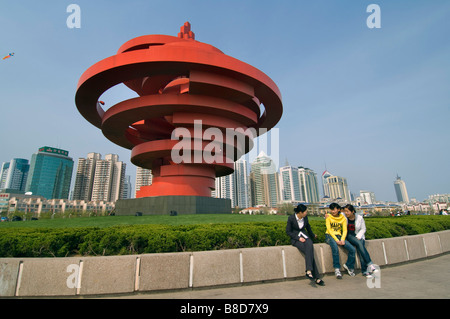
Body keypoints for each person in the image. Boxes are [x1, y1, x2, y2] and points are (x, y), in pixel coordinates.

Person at [286, 204, 325, 286]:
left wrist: (313, 235)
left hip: (305, 236)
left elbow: (308, 228)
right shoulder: (291, 218)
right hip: (296, 240)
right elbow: (288, 232)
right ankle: (317, 277)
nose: (306, 213)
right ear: (300, 212)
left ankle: (309, 271)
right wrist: (298, 238)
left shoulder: (305, 218)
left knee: (310, 246)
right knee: (309, 253)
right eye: (305, 212)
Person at [343, 204, 377, 278]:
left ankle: (365, 271)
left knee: (360, 247)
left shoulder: (359, 218)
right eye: (345, 211)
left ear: (352, 211)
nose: (346, 213)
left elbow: (363, 229)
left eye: (348, 211)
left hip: (357, 235)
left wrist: (359, 236)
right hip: (349, 236)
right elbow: (335, 214)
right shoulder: (344, 217)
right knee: (360, 244)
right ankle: (369, 264)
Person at [325, 203, 356, 279]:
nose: (332, 211)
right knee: (335, 248)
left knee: (352, 249)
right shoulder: (328, 217)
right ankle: (337, 269)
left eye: (334, 209)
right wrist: (336, 240)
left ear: (338, 209)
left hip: (339, 236)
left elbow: (345, 230)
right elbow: (329, 230)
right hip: (329, 236)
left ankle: (349, 265)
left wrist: (342, 239)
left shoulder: (343, 218)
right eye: (331, 210)